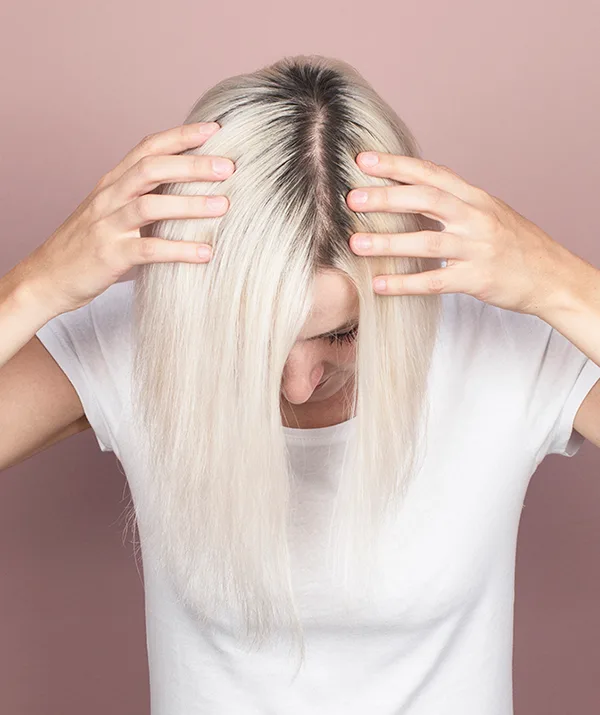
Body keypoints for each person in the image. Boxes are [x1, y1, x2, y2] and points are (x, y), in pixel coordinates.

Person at [1, 54, 599, 715]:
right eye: (253, 337)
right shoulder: (145, 342)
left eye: (343, 334)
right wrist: (36, 286)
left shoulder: (505, 349)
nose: (298, 385)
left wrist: (559, 283)